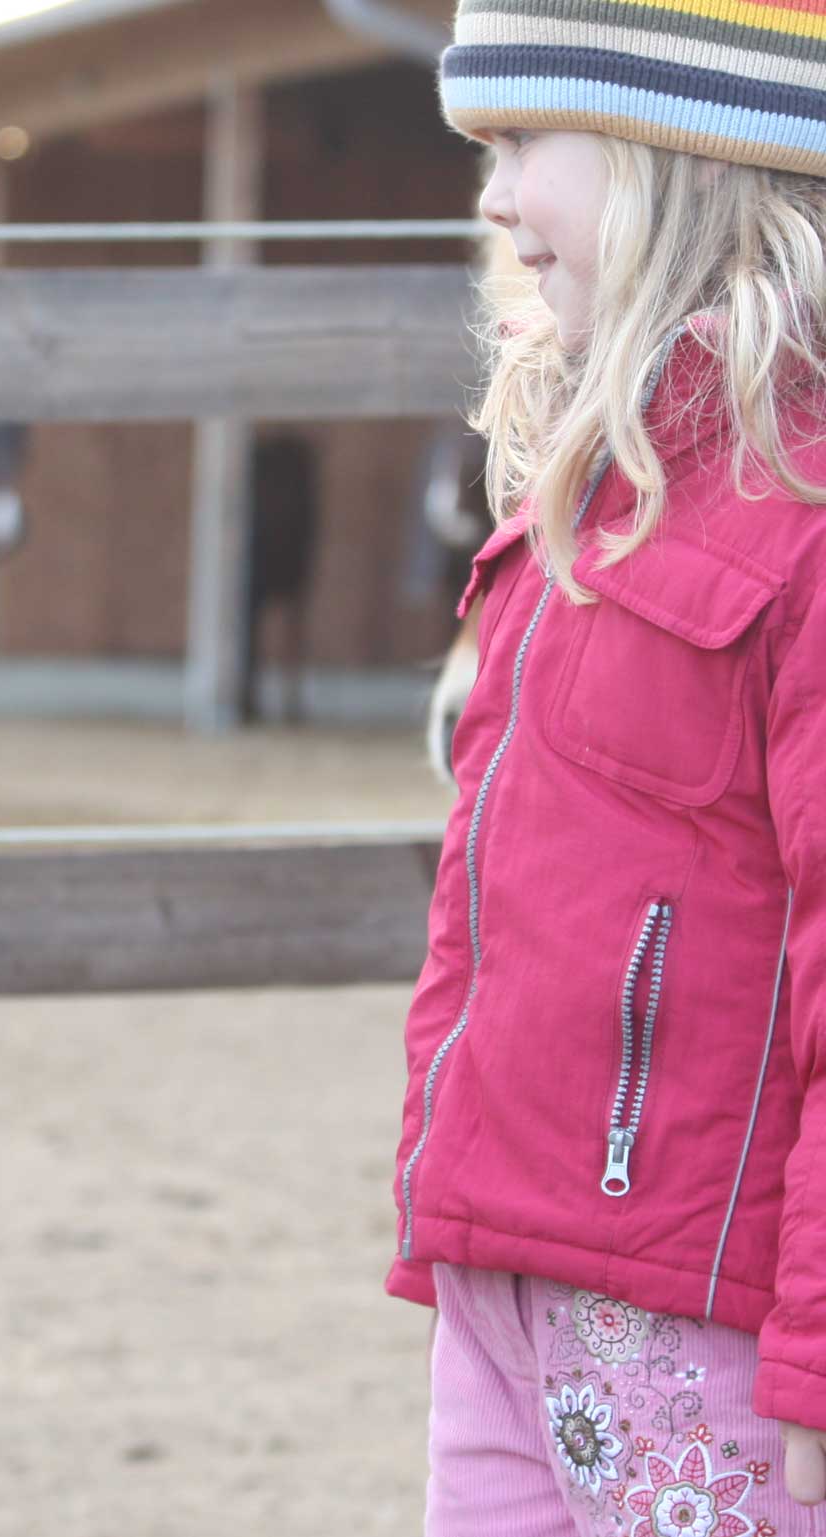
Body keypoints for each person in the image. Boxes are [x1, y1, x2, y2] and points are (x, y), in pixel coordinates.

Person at [390, 6, 826, 1532]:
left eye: (518, 145)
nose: (494, 201)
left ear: (679, 154)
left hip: (703, 1326)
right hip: (510, 1285)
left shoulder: (806, 516)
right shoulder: (585, 487)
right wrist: (444, 1209)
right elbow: (486, 895)